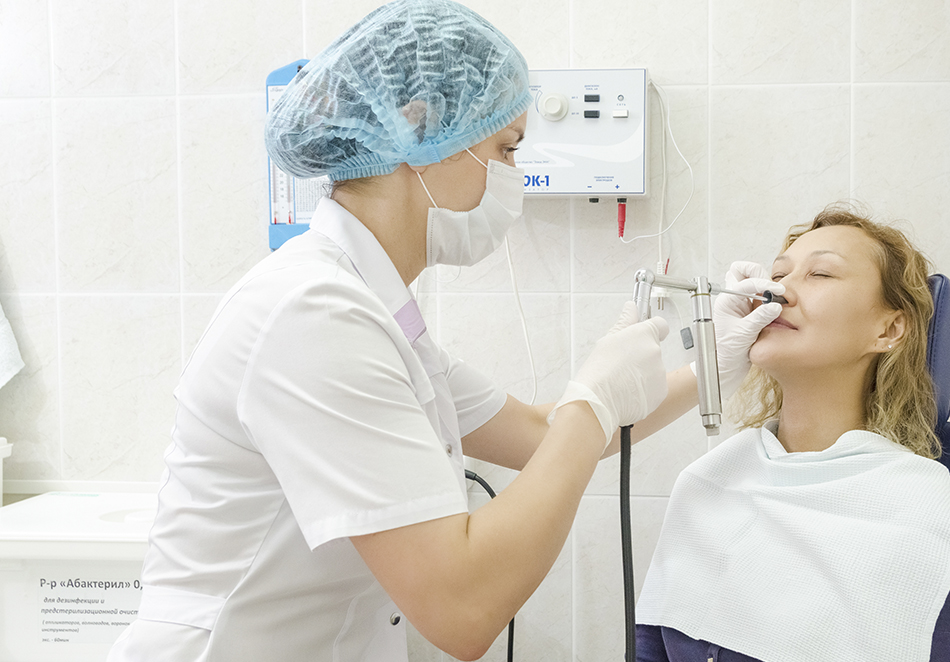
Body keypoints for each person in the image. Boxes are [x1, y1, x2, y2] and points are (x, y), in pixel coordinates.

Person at [106, 2, 673, 660]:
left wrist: (720, 357)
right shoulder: (312, 314)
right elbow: (463, 608)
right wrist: (596, 399)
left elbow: (539, 432)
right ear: (418, 129)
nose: (513, 177)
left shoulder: (374, 308)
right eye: (505, 149)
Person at [633, 205, 950, 662]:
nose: (777, 292)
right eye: (777, 275)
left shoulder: (916, 510)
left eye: (820, 274)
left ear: (889, 329)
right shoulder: (708, 479)